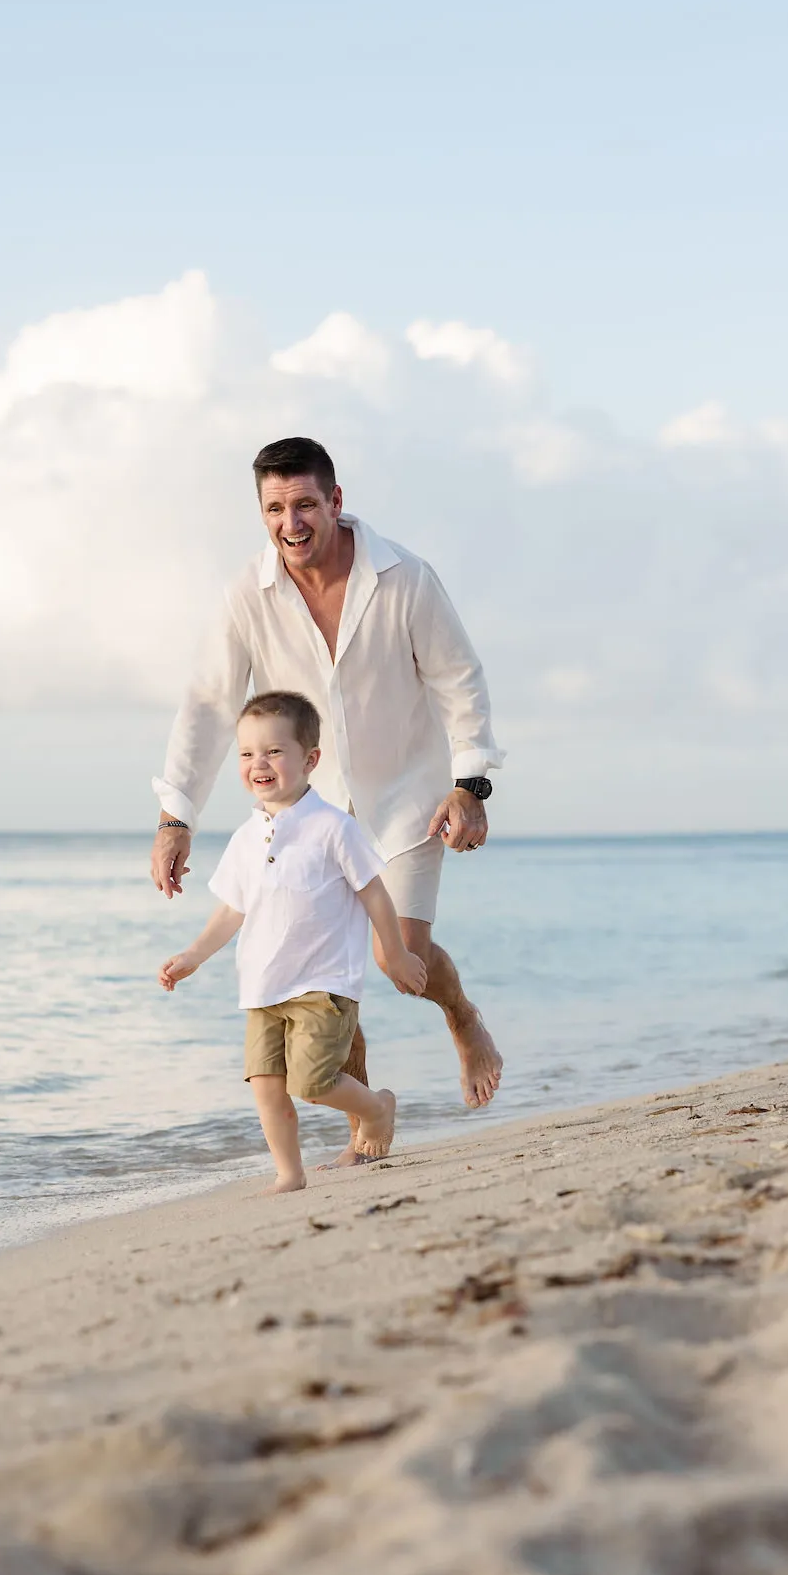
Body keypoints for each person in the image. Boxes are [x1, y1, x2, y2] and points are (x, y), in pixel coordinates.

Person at [151, 435, 504, 1166]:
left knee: (397, 954)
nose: (291, 523)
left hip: (406, 797)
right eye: (274, 508)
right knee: (323, 974)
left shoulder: (405, 578)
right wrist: (175, 815)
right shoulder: (247, 595)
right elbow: (210, 705)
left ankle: (462, 1016)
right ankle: (365, 1121)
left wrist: (469, 786)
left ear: (336, 502)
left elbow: (458, 679)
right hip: (312, 808)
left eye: (305, 504)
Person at [158, 691, 427, 1192]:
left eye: (274, 751)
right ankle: (290, 1173)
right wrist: (194, 955)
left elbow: (375, 893)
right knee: (265, 1087)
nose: (258, 763)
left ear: (310, 759)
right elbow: (232, 909)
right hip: (262, 987)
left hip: (323, 984)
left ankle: (378, 1108)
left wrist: (396, 952)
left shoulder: (333, 828)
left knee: (312, 1082)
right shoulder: (245, 838)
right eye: (246, 753)